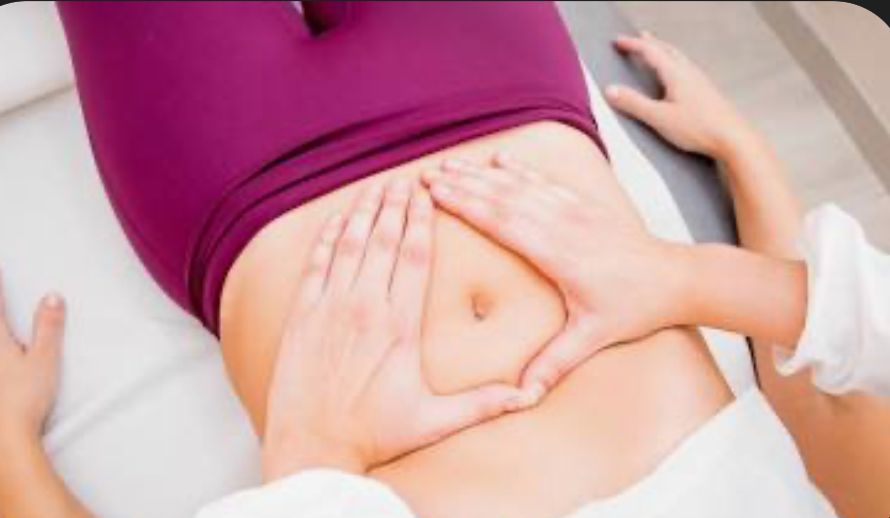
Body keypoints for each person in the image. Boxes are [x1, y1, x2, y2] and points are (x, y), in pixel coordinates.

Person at [0, 2, 887, 516]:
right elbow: (833, 420)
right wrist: (724, 196)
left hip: (253, 188)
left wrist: (12, 453)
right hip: (504, 98)